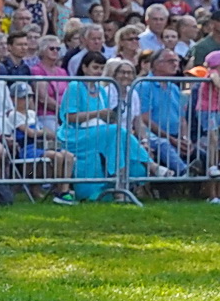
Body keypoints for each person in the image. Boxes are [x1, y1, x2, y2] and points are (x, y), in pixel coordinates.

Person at [57, 51, 151, 201]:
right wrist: (99, 113)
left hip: (98, 133)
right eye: (95, 67)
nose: (99, 72)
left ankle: (121, 190)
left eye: (101, 68)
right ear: (85, 68)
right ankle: (150, 167)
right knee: (117, 132)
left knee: (117, 136)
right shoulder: (75, 86)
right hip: (75, 135)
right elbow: (70, 117)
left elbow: (106, 119)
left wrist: (111, 115)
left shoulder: (101, 90)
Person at [130, 49, 190, 177]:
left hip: (175, 136)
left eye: (177, 61)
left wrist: (185, 139)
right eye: (171, 61)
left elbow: (182, 118)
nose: (175, 65)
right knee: (164, 144)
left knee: (200, 152)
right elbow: (144, 118)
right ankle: (186, 172)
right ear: (156, 64)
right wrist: (171, 139)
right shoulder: (144, 85)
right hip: (153, 135)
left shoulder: (173, 87)